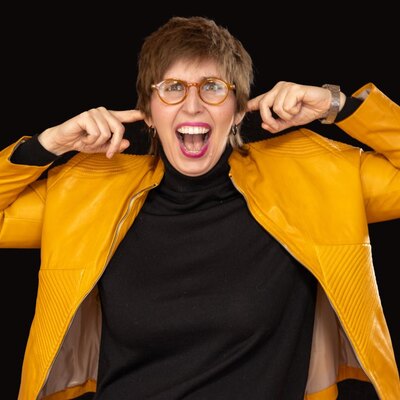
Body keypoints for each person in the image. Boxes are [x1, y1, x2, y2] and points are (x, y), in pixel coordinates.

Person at [2, 16, 399, 400]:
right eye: (172, 88)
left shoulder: (310, 179)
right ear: (148, 113)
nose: (192, 106)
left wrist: (336, 104)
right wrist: (48, 144)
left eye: (212, 87)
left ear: (239, 110)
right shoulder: (91, 193)